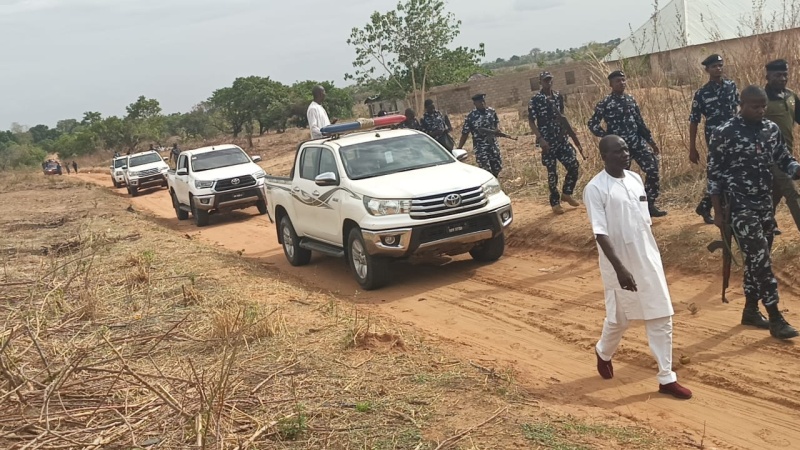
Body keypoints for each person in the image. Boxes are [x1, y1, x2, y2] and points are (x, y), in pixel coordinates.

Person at [583, 134, 692, 399]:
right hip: (617, 264)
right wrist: (620, 269)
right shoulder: (595, 189)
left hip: (647, 257)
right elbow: (600, 233)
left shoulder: (635, 179)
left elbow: (643, 223)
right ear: (604, 156)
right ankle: (603, 351)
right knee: (620, 319)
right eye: (618, 151)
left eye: (626, 149)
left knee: (661, 314)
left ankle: (666, 378)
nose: (625, 154)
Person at [707, 85, 800, 339]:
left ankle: (750, 309)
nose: (760, 111)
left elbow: (783, 159)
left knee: (755, 260)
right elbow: (713, 176)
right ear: (742, 104)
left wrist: (796, 169)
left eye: (763, 106)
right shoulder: (724, 133)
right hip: (738, 206)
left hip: (764, 204)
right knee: (761, 260)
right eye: (755, 106)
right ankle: (775, 317)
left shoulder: (770, 130)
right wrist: (717, 212)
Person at [588, 70, 666, 217]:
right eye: (618, 81)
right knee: (620, 180)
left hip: (637, 143)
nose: (622, 83)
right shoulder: (605, 103)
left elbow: (640, 122)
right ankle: (625, 209)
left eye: (623, 80)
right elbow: (592, 123)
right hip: (619, 149)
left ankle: (649, 204)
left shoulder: (630, 99)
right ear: (611, 84)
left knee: (653, 169)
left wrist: (651, 142)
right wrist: (606, 137)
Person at [689, 54, 740, 225]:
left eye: (720, 65)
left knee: (734, 172)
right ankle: (707, 205)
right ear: (707, 70)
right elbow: (694, 121)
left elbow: (740, 110)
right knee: (715, 174)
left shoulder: (731, 86)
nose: (718, 68)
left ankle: (707, 205)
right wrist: (692, 148)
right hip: (715, 140)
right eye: (714, 66)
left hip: (734, 137)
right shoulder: (702, 93)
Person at [528, 71, 584, 214]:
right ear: (540, 82)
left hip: (561, 139)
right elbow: (531, 121)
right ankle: (555, 203)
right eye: (545, 80)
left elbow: (562, 116)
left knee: (573, 165)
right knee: (552, 173)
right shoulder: (536, 99)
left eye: (550, 80)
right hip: (547, 141)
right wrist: (540, 139)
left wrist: (567, 132)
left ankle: (567, 193)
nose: (548, 82)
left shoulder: (558, 96)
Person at [763, 59, 800, 234]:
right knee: (793, 193)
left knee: (775, 193)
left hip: (787, 156)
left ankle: (766, 223)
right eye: (778, 75)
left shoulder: (791, 96)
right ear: (767, 76)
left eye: (785, 74)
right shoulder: (760, 100)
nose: (783, 78)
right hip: (769, 157)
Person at [458, 93, 504, 178]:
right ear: (475, 103)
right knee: (485, 169)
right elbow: (465, 133)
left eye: (483, 101)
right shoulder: (471, 116)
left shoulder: (491, 111)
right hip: (480, 147)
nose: (482, 103)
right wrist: (459, 148)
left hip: (493, 145)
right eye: (479, 102)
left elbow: (496, 122)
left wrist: (497, 130)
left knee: (497, 167)